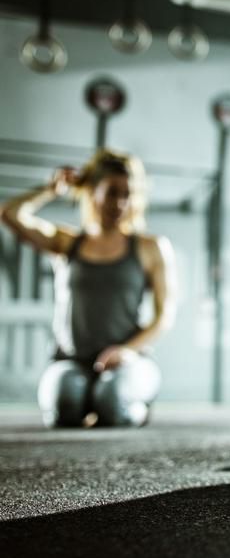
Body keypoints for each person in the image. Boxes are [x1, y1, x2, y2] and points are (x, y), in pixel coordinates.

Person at [0, 149, 177, 427]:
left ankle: (134, 407)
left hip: (128, 362)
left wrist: (127, 350)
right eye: (112, 192)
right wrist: (50, 190)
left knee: (112, 402)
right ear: (93, 192)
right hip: (73, 361)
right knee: (65, 406)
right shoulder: (67, 243)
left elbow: (163, 316)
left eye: (128, 194)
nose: (120, 203)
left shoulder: (150, 248)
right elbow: (10, 214)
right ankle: (86, 400)